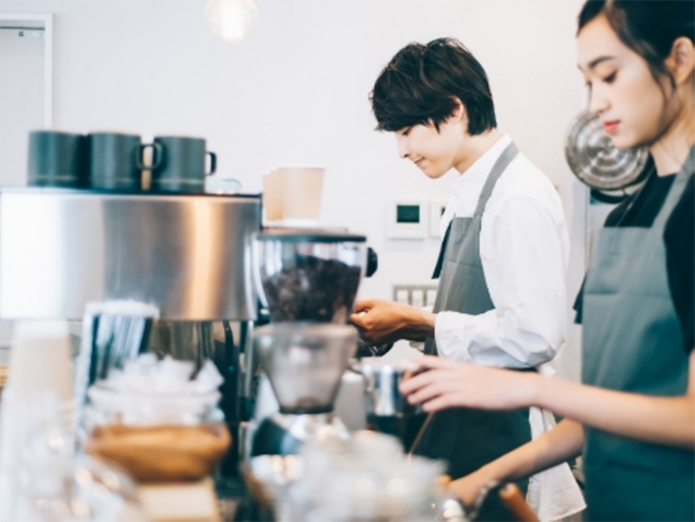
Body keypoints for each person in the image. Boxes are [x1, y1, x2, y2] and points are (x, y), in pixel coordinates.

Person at [400, 1, 695, 520]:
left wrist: (527, 385)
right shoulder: (628, 216)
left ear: (680, 59)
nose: (595, 102)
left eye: (608, 75)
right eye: (587, 82)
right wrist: (480, 481)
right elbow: (603, 409)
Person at [350, 38, 584, 519]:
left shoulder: (517, 197)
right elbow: (478, 315)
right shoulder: (469, 194)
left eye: (407, 130)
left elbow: (534, 335)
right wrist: (409, 326)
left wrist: (419, 322)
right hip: (468, 419)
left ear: (454, 111)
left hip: (504, 432)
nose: (401, 150)